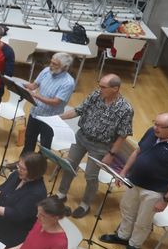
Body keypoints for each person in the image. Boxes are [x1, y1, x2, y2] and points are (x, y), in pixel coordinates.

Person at [100, 112, 168, 249]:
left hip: (155, 191)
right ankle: (122, 236)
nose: (155, 128)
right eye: (155, 123)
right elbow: (138, 151)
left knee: (143, 221)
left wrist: (165, 199)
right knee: (127, 210)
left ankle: (134, 246)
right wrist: (123, 172)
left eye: (160, 126)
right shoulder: (151, 132)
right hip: (134, 182)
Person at [56, 74, 135, 218]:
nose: (100, 89)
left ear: (115, 89)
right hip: (81, 137)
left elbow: (123, 135)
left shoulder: (126, 109)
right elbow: (78, 110)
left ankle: (85, 204)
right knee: (69, 165)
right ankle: (61, 194)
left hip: (101, 146)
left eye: (104, 87)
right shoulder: (96, 95)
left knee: (90, 176)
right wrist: (57, 118)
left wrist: (111, 155)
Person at [21, 52, 77, 155]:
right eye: (51, 62)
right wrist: (20, 84)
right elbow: (34, 86)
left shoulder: (68, 83)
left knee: (44, 146)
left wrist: (35, 96)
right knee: (29, 140)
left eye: (55, 64)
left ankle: (39, 167)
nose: (51, 65)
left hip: (50, 118)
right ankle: (23, 162)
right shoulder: (46, 71)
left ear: (65, 67)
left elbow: (56, 102)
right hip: (35, 113)